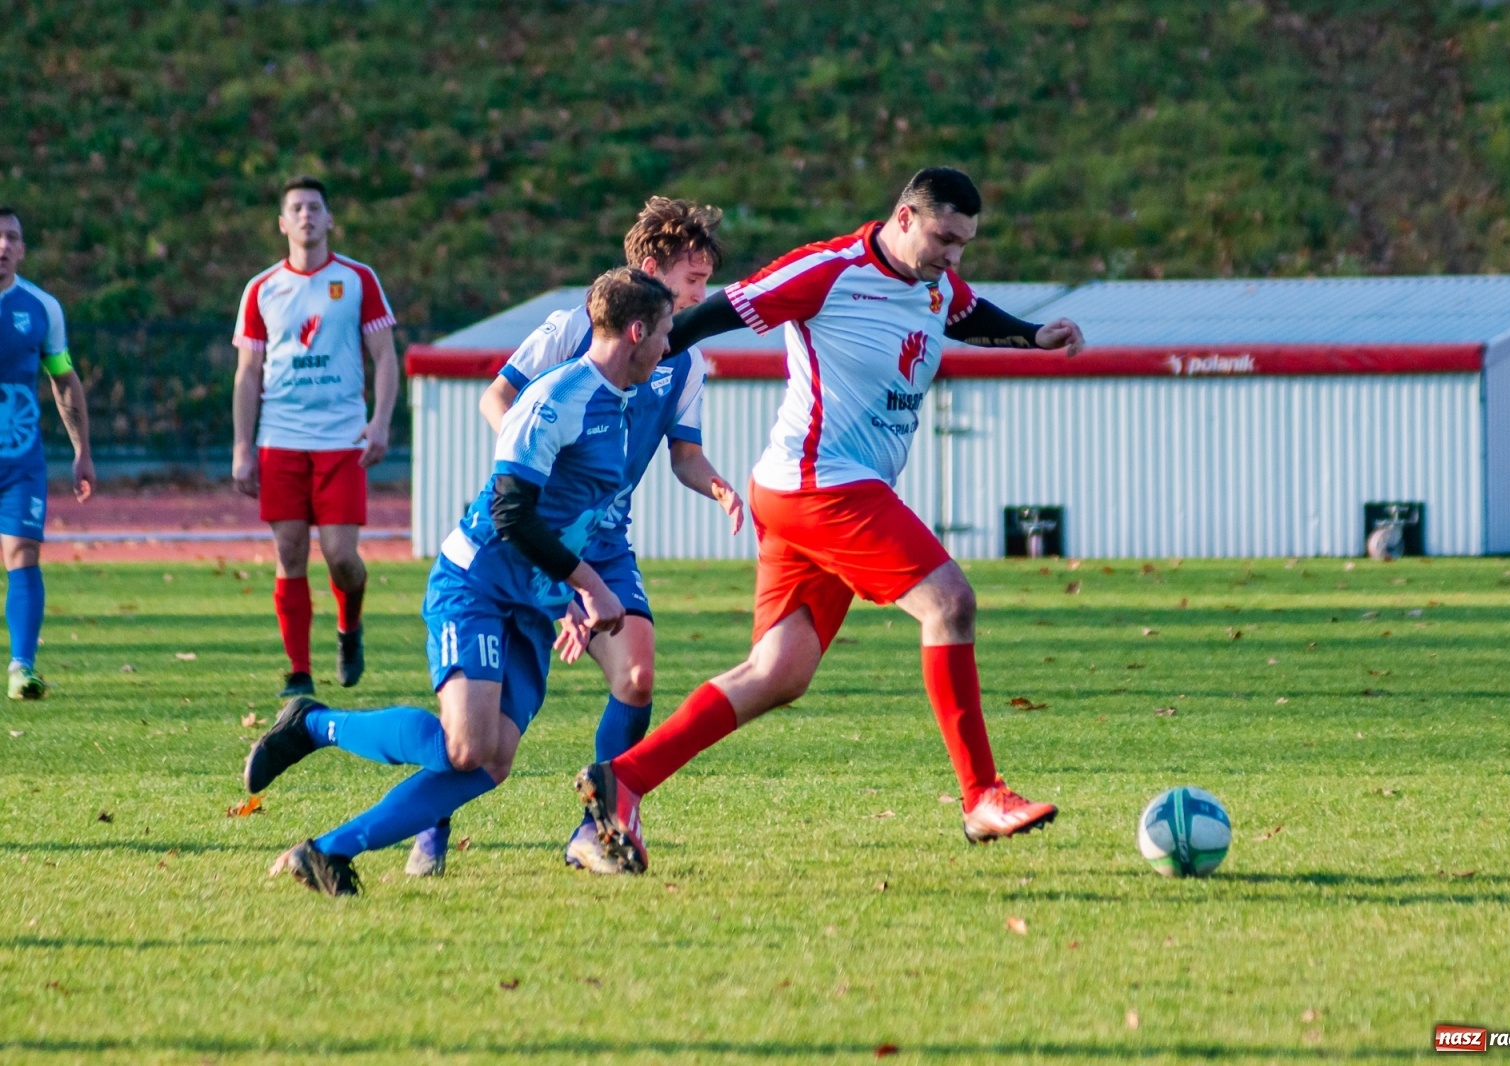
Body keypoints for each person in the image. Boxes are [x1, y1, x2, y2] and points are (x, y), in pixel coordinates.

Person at [574, 168, 1087, 873]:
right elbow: (722, 310)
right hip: (820, 485)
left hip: (817, 491)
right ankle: (981, 796)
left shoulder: (934, 282)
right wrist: (633, 364)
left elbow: (962, 310)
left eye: (965, 244)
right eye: (943, 238)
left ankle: (623, 779)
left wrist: (1034, 336)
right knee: (950, 603)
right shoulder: (829, 270)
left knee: (778, 672)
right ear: (904, 218)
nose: (953, 256)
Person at [243, 268, 674, 896]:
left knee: (489, 763)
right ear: (636, 331)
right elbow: (511, 513)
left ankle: (329, 851)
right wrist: (591, 586)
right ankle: (313, 724)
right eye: (663, 334)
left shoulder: (622, 401)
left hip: (531, 603)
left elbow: (573, 513)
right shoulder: (557, 399)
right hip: (476, 585)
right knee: (464, 747)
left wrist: (570, 597)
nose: (668, 349)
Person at [406, 198, 742, 877]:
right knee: (480, 720)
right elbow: (498, 398)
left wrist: (720, 486)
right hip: (542, 530)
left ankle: (594, 830)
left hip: (607, 541)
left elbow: (683, 456)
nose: (703, 297)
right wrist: (540, 477)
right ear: (652, 270)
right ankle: (430, 817)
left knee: (639, 675)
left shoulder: (687, 362)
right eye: (693, 282)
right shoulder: (573, 329)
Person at [231, 176, 398, 698]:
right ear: (282, 223)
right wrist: (242, 446)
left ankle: (349, 628)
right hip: (280, 437)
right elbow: (248, 372)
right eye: (296, 208)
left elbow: (386, 358)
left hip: (342, 438)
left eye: (314, 208)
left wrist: (381, 421)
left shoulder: (357, 280)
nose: (306, 216)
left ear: (329, 220)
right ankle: (299, 672)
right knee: (290, 552)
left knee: (341, 556)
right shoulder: (262, 288)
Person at [0, 208, 95, 700]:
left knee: (22, 554)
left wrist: (81, 450)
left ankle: (22, 667)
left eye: (11, 237)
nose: (1, 246)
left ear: (22, 248)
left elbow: (62, 377)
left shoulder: (41, 308)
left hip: (19, 462)